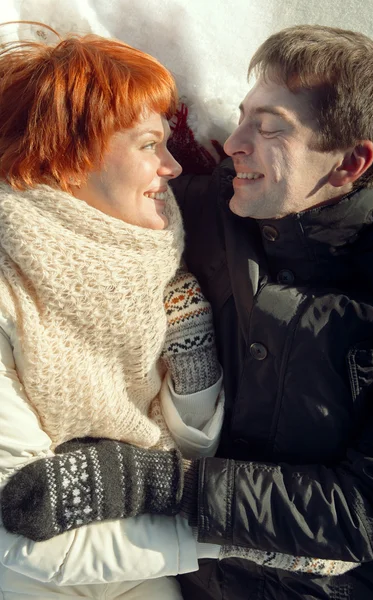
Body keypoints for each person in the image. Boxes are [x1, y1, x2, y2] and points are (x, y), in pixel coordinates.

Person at [167, 25, 373, 600]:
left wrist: (157, 486)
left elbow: (370, 510)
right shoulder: (214, 209)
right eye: (242, 117)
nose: (232, 143)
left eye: (268, 127)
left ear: (350, 163)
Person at [0, 23, 225, 599]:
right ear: (68, 159)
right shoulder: (9, 289)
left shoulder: (160, 270)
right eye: (150, 144)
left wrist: (194, 382)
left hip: (144, 563)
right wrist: (240, 533)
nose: (172, 167)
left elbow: (177, 451)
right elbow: (18, 524)